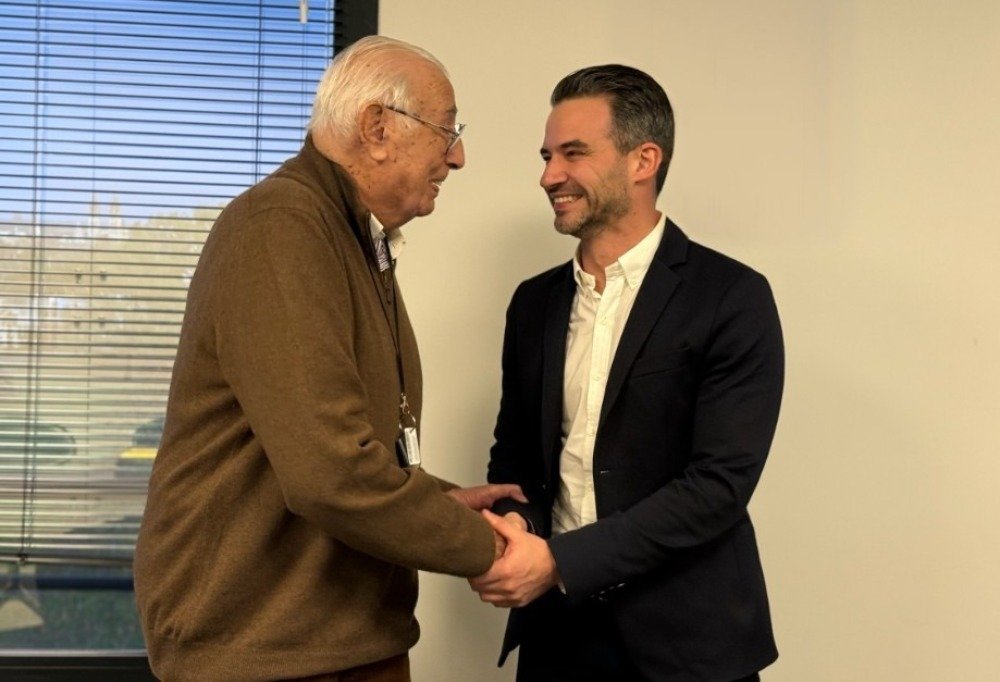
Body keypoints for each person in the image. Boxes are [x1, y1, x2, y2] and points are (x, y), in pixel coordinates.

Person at [134, 36, 524, 682]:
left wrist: (438, 501)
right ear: (377, 128)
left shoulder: (349, 236)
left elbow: (346, 438)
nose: (457, 156)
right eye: (447, 132)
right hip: (264, 648)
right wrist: (492, 550)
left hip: (328, 636)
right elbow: (330, 472)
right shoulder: (281, 228)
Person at [470, 65, 785, 681]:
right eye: (546, 155)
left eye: (573, 153)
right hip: (554, 635)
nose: (548, 175)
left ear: (644, 161)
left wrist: (561, 560)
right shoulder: (531, 304)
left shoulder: (732, 297)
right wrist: (516, 528)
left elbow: (718, 486)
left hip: (688, 644)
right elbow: (514, 458)